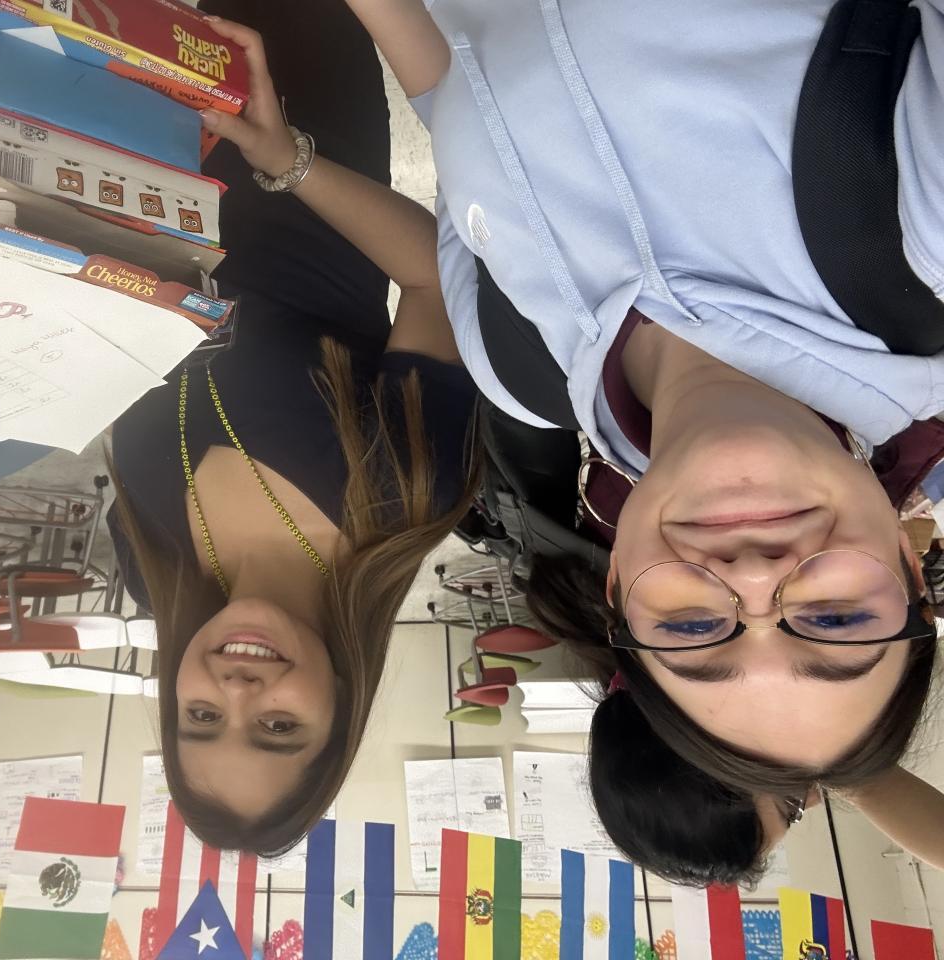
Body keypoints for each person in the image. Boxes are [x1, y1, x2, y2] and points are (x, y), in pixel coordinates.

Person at [346, 0, 944, 880]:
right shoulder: (919, 242)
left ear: (620, 590)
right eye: (835, 619)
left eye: (695, 629)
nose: (753, 579)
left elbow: (456, 97)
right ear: (908, 561)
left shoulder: (516, 368)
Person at [108, 0, 478, 855]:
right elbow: (437, 280)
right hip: (294, 128)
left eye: (202, 718)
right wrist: (285, 159)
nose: (237, 691)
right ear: (340, 709)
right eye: (278, 728)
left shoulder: (153, 568)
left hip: (123, 169)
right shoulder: (403, 501)